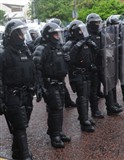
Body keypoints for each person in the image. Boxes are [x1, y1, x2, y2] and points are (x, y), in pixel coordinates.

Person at [0, 19, 34, 160]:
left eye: (23, 33)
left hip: (26, 93)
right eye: (20, 34)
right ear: (12, 35)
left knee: (22, 123)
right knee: (20, 126)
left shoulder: (25, 50)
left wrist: (36, 86)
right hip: (12, 94)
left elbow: (32, 69)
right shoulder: (4, 54)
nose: (23, 36)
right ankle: (25, 155)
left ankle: (16, 152)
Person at [33, 22, 71, 148]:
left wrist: (67, 60)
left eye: (58, 33)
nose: (57, 36)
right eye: (55, 34)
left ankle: (58, 132)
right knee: (55, 109)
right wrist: (40, 86)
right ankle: (54, 136)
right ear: (48, 35)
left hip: (60, 83)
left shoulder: (59, 47)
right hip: (49, 83)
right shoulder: (42, 49)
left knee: (59, 109)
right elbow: (36, 68)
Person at [63, 20, 96, 132]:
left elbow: (94, 54)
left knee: (87, 96)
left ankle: (85, 116)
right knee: (82, 97)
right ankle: (84, 121)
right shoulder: (69, 44)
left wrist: (92, 45)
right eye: (80, 30)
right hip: (77, 74)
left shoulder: (86, 42)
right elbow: (68, 58)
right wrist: (79, 44)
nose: (82, 32)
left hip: (87, 72)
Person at [85, 13, 105, 118]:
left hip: (102, 64)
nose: (98, 24)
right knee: (93, 90)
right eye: (95, 23)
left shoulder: (101, 34)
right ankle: (95, 110)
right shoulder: (86, 36)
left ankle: (111, 105)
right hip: (92, 66)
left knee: (108, 85)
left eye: (99, 22)